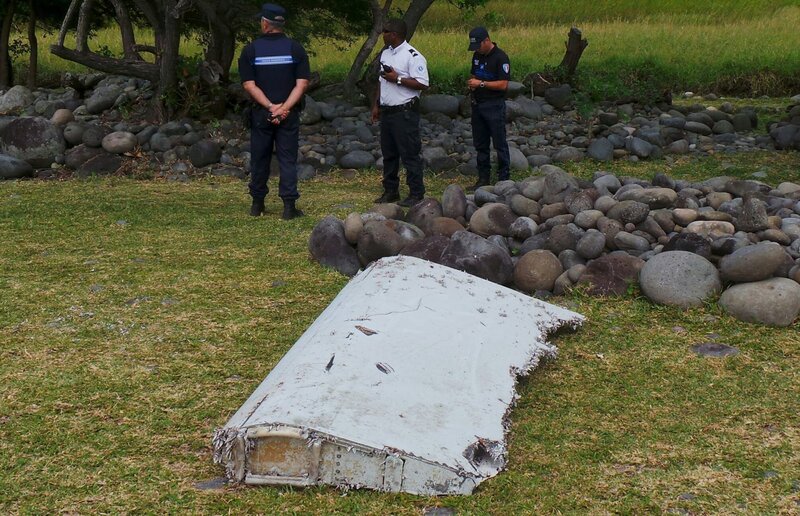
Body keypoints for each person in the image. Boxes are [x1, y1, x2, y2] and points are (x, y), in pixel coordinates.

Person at [238, 3, 310, 220]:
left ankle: (257, 204)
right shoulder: (295, 49)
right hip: (288, 114)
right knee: (287, 159)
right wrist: (284, 108)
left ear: (265, 23)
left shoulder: (251, 50)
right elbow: (302, 83)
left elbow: (249, 85)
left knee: (260, 158)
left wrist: (271, 107)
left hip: (262, 113)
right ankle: (289, 207)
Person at [371, 19, 429, 207]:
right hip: (387, 110)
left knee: (410, 153)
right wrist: (376, 104)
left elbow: (422, 83)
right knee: (389, 154)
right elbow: (381, 81)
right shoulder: (386, 53)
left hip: (404, 112)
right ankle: (390, 190)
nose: (382, 34)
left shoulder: (413, 56)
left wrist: (398, 79)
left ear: (394, 34)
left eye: (385, 31)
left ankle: (416, 192)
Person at [466, 26, 511, 191]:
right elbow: (474, 75)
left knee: (499, 142)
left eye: (478, 45)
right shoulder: (477, 56)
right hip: (478, 104)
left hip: (494, 105)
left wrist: (482, 84)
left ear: (487, 40)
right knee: (480, 143)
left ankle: (504, 178)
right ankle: (483, 177)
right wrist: (473, 83)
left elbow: (503, 84)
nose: (477, 49)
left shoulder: (501, 57)